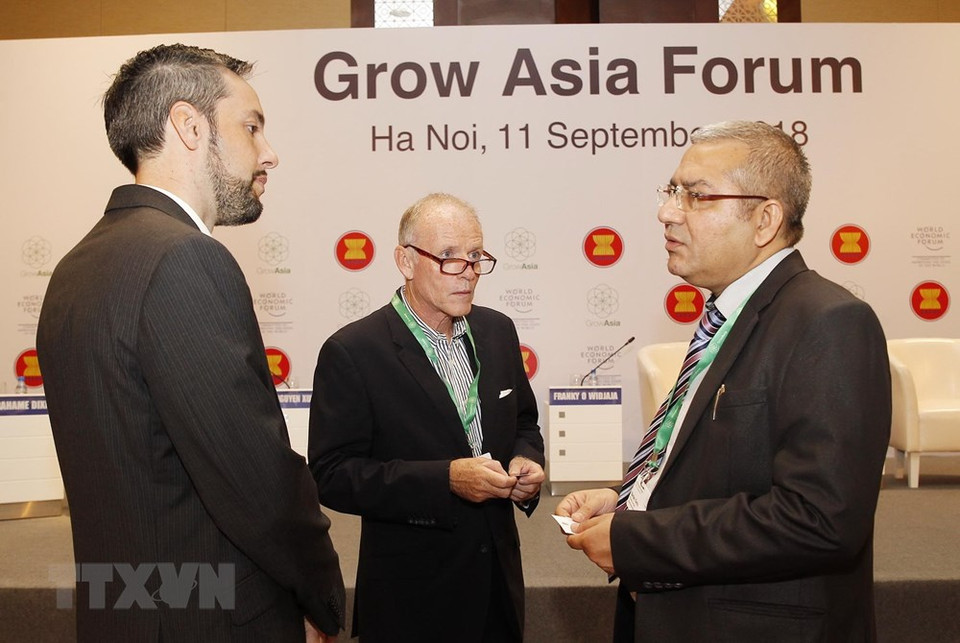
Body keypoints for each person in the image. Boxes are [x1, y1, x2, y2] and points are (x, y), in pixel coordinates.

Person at [37, 44, 344, 642]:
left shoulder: (75, 266)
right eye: (252, 128)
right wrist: (320, 597)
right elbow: (256, 482)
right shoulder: (186, 260)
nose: (269, 154)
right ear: (189, 125)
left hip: (126, 612)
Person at [557, 120, 891, 642]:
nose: (667, 211)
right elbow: (727, 467)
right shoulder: (728, 315)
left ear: (764, 219)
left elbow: (819, 519)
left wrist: (639, 540)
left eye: (697, 196)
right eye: (671, 191)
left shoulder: (827, 322)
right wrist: (629, 502)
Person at [308, 193, 546, 642]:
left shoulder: (497, 330)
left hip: (499, 586)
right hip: (413, 598)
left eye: (475, 256)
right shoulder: (354, 352)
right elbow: (332, 475)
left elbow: (524, 423)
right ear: (405, 260)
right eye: (449, 257)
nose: (468, 273)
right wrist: (446, 480)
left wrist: (526, 460)